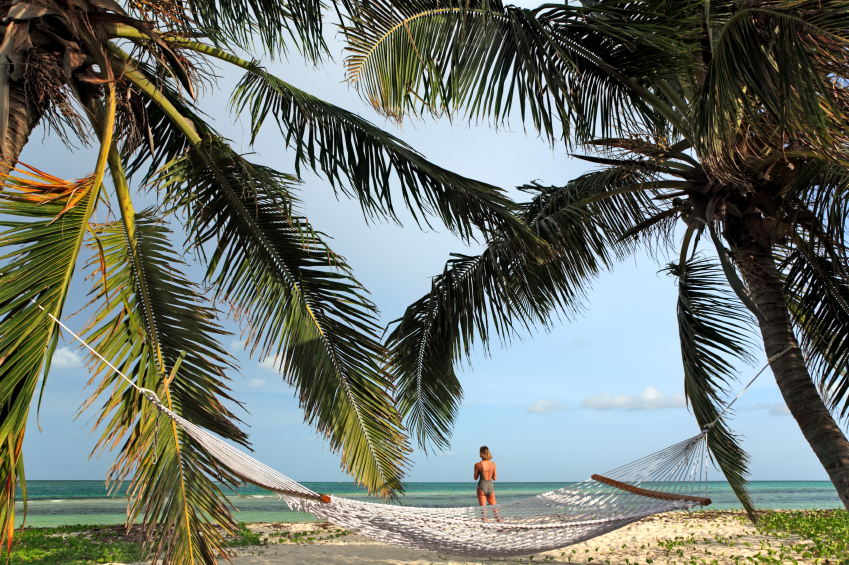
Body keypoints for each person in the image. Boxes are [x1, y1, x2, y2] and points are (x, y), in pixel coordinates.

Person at [474, 446, 501, 522]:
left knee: (483, 512)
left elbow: (475, 478)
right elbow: (494, 478)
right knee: (495, 510)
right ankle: (501, 528)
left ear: (481, 453)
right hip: (490, 487)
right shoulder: (493, 464)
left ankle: (486, 531)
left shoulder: (478, 465)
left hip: (482, 486)